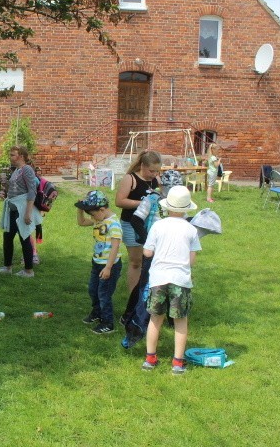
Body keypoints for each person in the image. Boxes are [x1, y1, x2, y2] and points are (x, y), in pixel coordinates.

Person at [141, 186, 201, 375]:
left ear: (167, 207)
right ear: (186, 209)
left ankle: (150, 359)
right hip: (180, 280)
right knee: (180, 320)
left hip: (159, 278)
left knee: (155, 319)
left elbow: (147, 252)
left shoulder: (158, 226)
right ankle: (177, 363)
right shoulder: (191, 229)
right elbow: (192, 260)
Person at [115, 150, 162, 298]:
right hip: (131, 224)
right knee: (136, 262)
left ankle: (148, 292)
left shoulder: (155, 179)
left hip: (151, 225)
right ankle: (133, 297)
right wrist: (144, 204)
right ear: (142, 165)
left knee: (150, 259)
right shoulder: (130, 179)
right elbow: (119, 201)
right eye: (151, 170)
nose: (154, 174)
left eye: (157, 171)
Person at [76, 190, 123, 334]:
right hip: (97, 262)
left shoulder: (113, 224)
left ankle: (108, 323)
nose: (92, 216)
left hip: (109, 265)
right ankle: (97, 312)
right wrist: (80, 209)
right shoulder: (99, 219)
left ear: (102, 209)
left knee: (104, 294)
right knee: (93, 290)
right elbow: (81, 222)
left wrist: (108, 267)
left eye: (92, 213)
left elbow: (115, 246)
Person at [0, 146, 42, 278]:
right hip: (12, 209)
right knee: (8, 237)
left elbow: (32, 191)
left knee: (24, 238)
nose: (10, 157)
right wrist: (4, 190)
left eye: (12, 155)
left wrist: (27, 213)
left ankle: (29, 271)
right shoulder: (17, 170)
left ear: (21, 156)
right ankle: (7, 267)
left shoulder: (27, 169)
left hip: (22, 210)